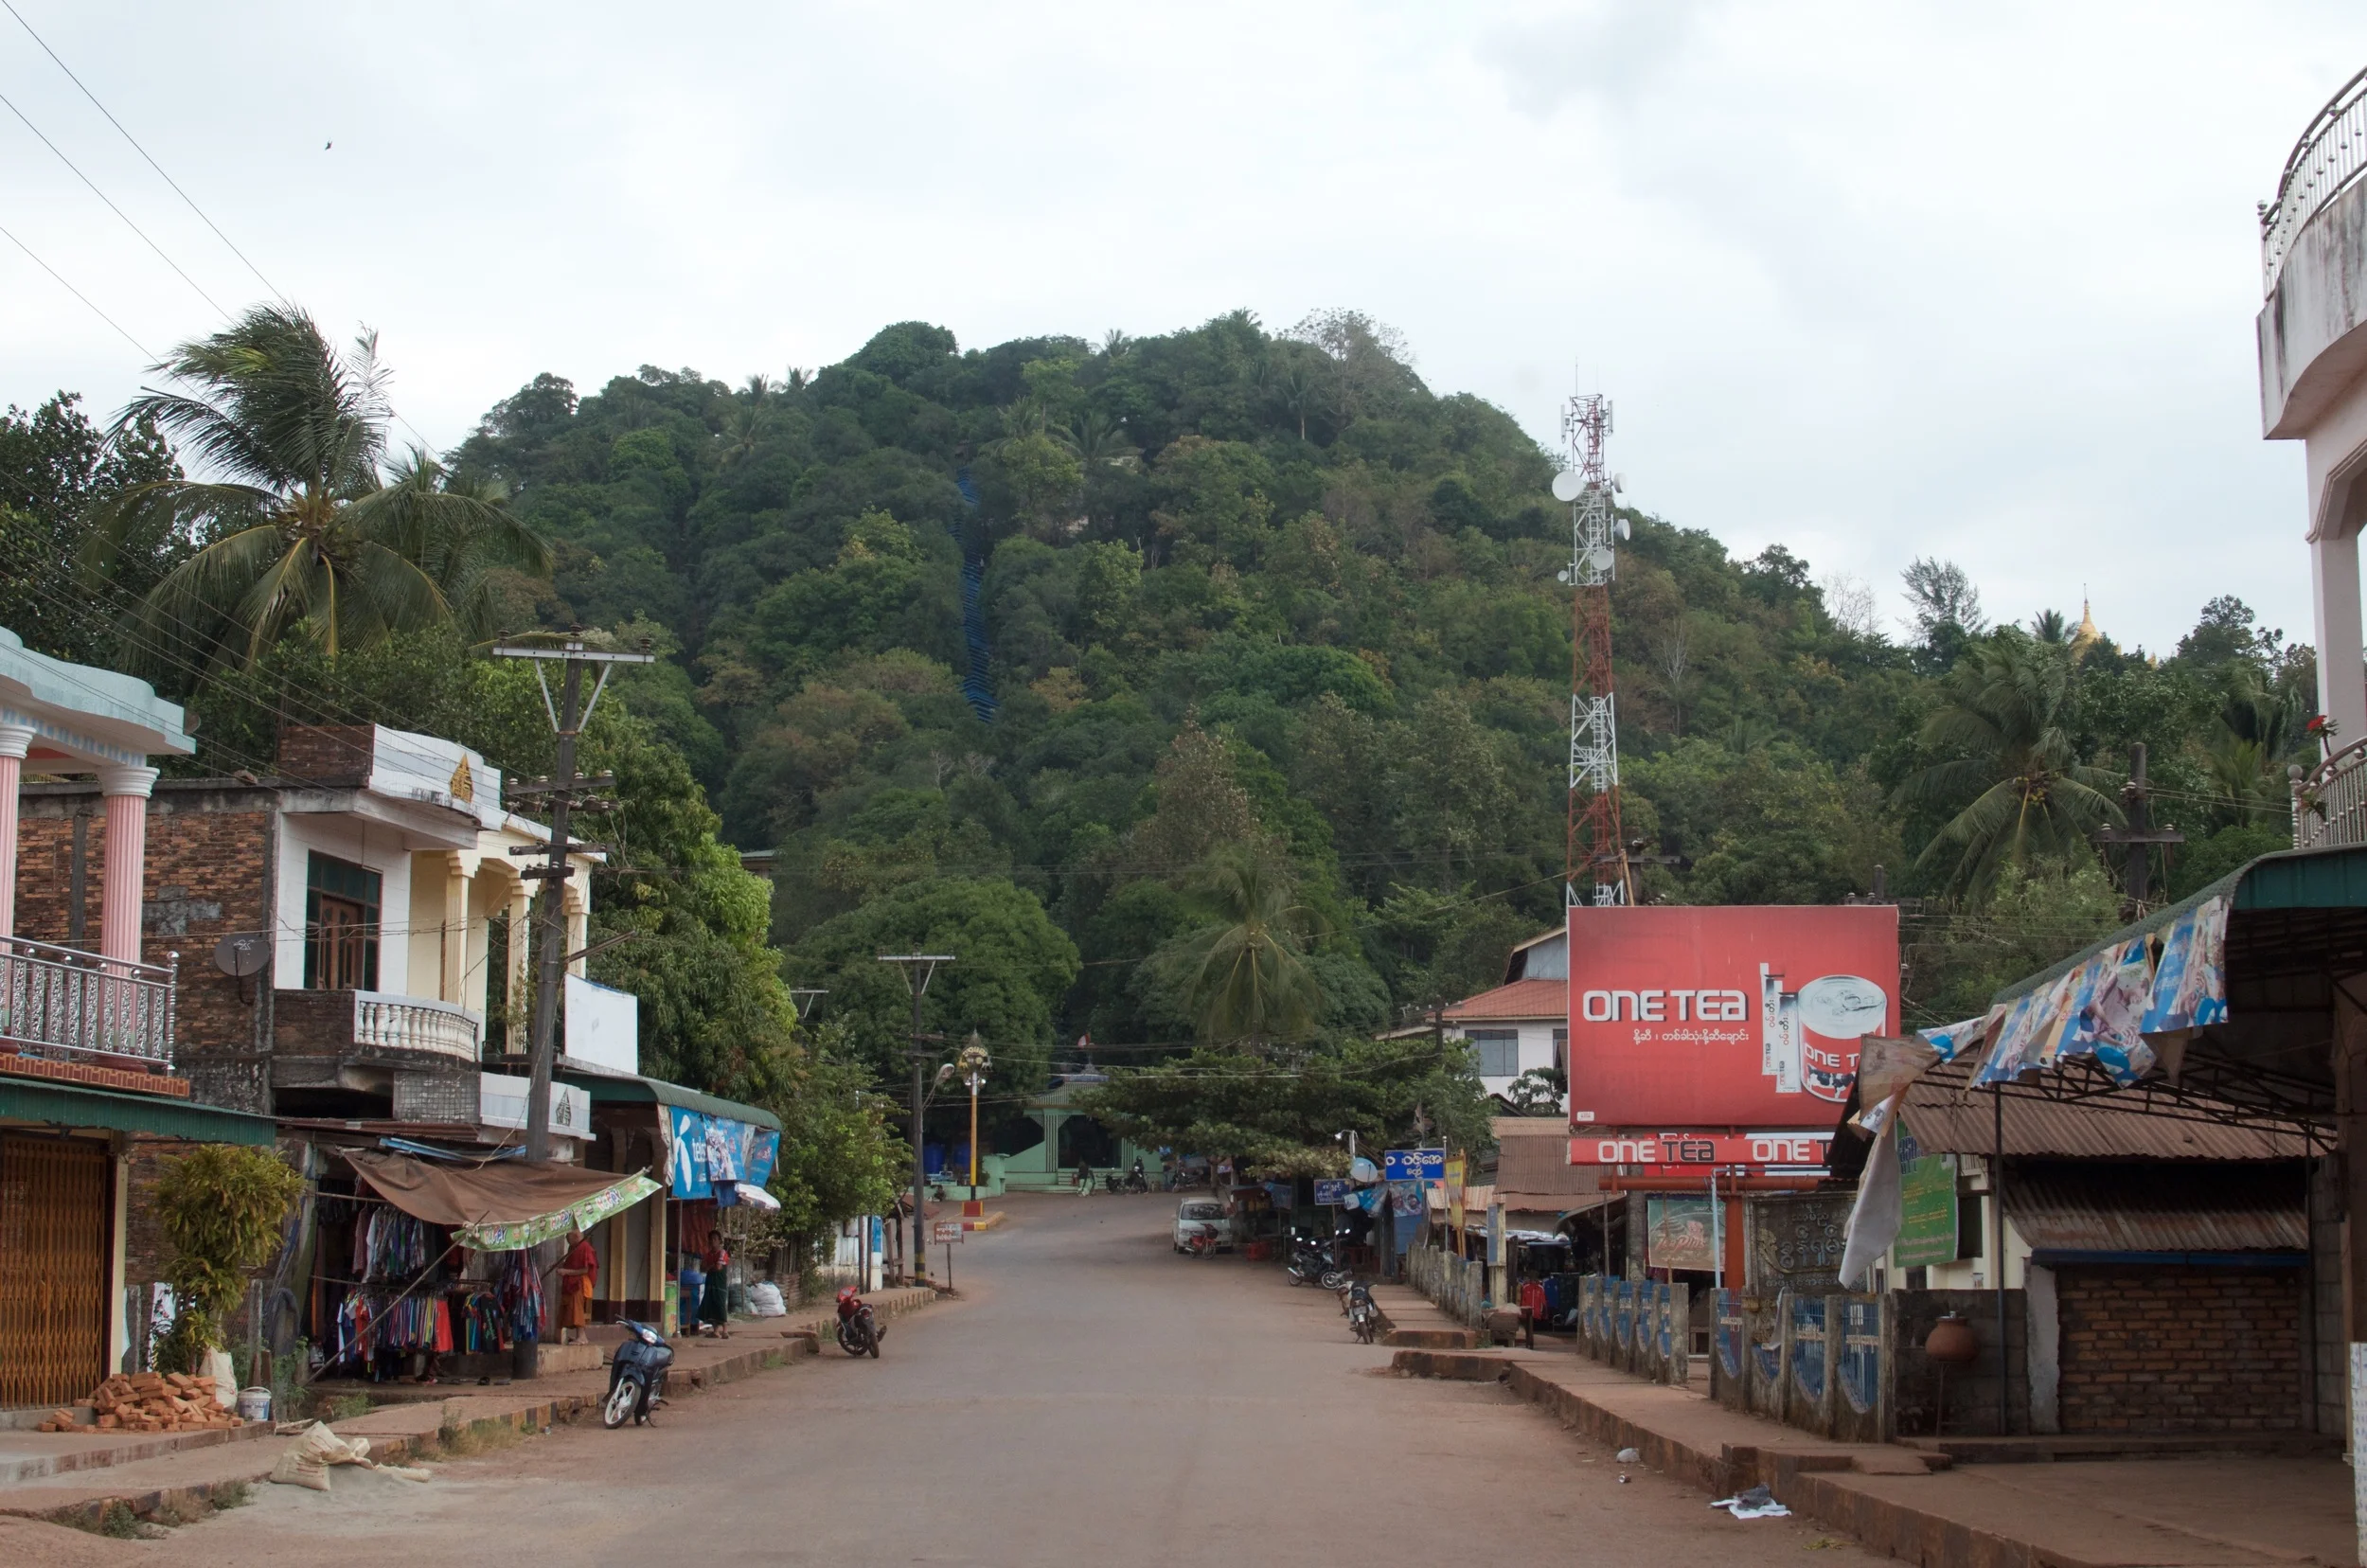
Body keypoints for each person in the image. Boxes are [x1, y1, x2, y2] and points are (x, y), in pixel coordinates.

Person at [555, 1228, 596, 1345]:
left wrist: (566, 1271)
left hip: (580, 1283)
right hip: (572, 1281)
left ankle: (582, 1337)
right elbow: (571, 1263)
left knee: (577, 1308)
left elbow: (585, 1269)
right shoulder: (572, 1248)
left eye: (568, 1237)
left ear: (576, 1236)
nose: (566, 1239)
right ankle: (576, 1336)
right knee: (569, 1308)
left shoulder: (585, 1247)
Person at [700, 1238, 733, 1338]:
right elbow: (702, 1268)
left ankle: (725, 1331)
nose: (713, 1241)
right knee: (711, 1305)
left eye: (715, 1239)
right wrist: (711, 1266)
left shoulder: (722, 1253)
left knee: (720, 1305)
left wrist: (709, 1267)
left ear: (719, 1241)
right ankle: (715, 1331)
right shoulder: (708, 1254)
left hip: (719, 1283)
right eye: (711, 1239)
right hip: (710, 1283)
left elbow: (718, 1267)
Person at [1518, 1275, 1548, 1351]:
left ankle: (1530, 1343)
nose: (1534, 1281)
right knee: (1528, 1328)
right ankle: (1529, 1343)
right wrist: (1522, 1311)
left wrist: (1544, 1313)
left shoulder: (1540, 1288)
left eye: (1535, 1279)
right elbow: (1522, 1301)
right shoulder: (1525, 1287)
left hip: (1537, 1313)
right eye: (1532, 1279)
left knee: (1532, 1328)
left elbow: (1544, 1302)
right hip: (1527, 1313)